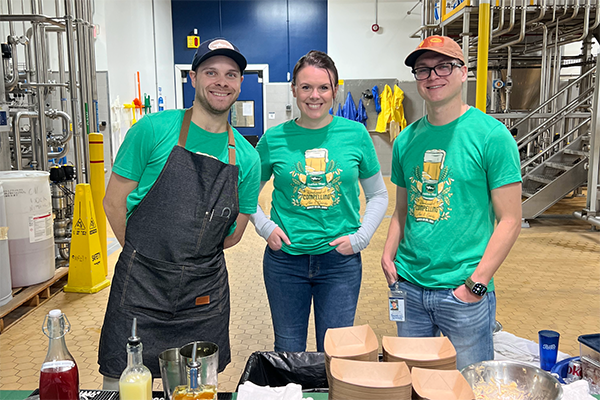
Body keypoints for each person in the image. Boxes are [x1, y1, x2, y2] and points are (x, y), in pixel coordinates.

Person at [98, 38, 260, 388]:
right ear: (193, 78)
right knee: (123, 384)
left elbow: (233, 235)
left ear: (240, 84)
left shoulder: (246, 157)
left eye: (231, 74)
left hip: (203, 294)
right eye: (211, 72)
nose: (221, 81)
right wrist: (148, 256)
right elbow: (113, 203)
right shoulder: (152, 131)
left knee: (196, 389)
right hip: (141, 285)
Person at [381, 35, 522, 369]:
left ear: (464, 72)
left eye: (444, 66)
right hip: (410, 288)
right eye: (423, 69)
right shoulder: (406, 140)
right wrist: (388, 254)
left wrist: (476, 284)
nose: (433, 76)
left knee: (468, 384)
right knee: (414, 380)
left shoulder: (491, 136)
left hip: (463, 291)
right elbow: (403, 209)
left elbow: (511, 220)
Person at [250, 50, 388, 352]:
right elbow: (245, 194)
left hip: (340, 263)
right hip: (285, 262)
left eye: (323, 87)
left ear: (335, 90)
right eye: (306, 87)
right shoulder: (273, 139)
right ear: (294, 91)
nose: (315, 95)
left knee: (336, 353)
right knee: (288, 351)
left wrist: (362, 238)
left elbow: (378, 194)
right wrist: (265, 227)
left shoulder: (355, 134)